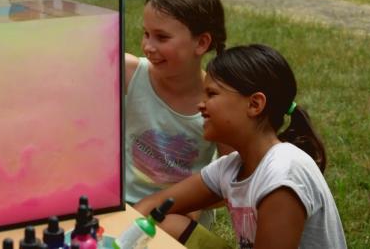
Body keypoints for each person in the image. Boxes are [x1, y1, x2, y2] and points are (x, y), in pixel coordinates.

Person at [4, 0, 233, 226]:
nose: (148, 46)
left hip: (177, 220)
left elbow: (234, 181)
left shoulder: (219, 101)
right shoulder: (129, 73)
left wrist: (182, 207)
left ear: (201, 43)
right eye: (146, 33)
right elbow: (47, 48)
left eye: (162, 37)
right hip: (117, 209)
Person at [133, 44, 347, 249]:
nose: (201, 104)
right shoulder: (231, 167)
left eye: (212, 94)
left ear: (254, 104)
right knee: (164, 223)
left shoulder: (282, 175)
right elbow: (155, 206)